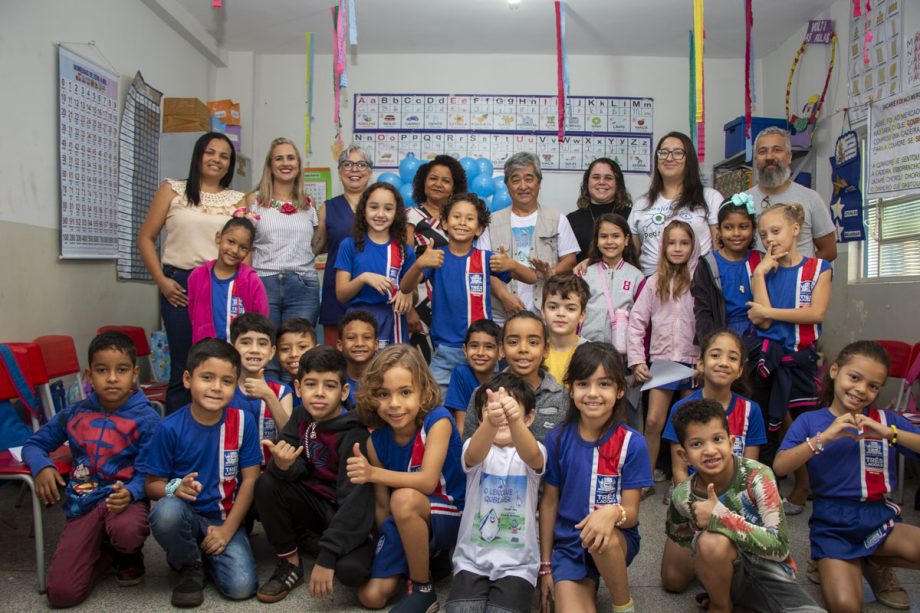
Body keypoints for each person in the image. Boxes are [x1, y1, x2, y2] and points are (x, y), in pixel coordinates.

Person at [775, 341, 920, 612]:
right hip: (834, 526)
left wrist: (891, 434)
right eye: (854, 377)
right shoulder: (811, 421)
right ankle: (829, 561)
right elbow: (780, 466)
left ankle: (874, 561)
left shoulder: (884, 420)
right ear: (834, 371)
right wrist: (824, 437)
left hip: (879, 520)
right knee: (846, 607)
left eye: (873, 385)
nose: (861, 390)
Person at [23, 331, 159, 607]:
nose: (111, 378)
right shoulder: (75, 413)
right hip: (83, 503)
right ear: (89, 375)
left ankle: (126, 554)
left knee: (127, 529)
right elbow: (33, 445)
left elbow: (149, 471)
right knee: (61, 595)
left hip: (123, 502)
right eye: (102, 370)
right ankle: (101, 555)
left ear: (134, 374)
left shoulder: (147, 418)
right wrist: (42, 467)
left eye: (120, 370)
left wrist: (132, 492)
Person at [665, 399, 824, 613]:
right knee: (710, 543)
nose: (710, 450)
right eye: (697, 444)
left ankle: (743, 603)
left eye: (717, 439)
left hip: (769, 571)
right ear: (684, 456)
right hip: (724, 569)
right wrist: (703, 561)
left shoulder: (758, 476)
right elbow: (679, 536)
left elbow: (779, 548)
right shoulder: (683, 495)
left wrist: (720, 517)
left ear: (731, 442)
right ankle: (721, 605)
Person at [141, 338, 261, 607]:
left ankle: (209, 550)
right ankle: (189, 564)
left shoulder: (244, 423)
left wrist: (228, 530)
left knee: (242, 587)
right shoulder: (169, 428)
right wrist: (175, 488)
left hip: (224, 518)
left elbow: (251, 479)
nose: (216, 388)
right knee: (166, 512)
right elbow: (151, 485)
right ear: (187, 379)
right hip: (186, 515)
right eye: (207, 377)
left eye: (227, 381)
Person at [346, 345, 465, 612]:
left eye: (405, 392)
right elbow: (381, 503)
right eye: (383, 394)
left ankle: (423, 588)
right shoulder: (376, 442)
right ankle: (424, 560)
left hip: (453, 513)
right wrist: (387, 545)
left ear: (423, 392)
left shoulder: (438, 421)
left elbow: (426, 481)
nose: (394, 404)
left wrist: (372, 473)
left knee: (404, 498)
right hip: (405, 515)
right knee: (371, 597)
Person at [254, 347, 375, 603]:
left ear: (343, 392)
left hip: (345, 512)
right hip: (314, 504)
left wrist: (328, 556)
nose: (319, 393)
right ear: (298, 388)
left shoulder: (354, 434)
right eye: (311, 384)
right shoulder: (300, 416)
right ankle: (290, 564)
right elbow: (290, 466)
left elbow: (354, 502)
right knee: (266, 483)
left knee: (351, 572)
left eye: (329, 386)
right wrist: (283, 465)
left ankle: (322, 543)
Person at [539, 342, 653, 613]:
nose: (593, 393)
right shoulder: (557, 439)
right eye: (583, 384)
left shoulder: (632, 443)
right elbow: (550, 503)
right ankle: (583, 580)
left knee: (601, 535)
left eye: (604, 384)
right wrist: (546, 567)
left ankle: (623, 604)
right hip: (568, 545)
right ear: (571, 388)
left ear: (620, 390)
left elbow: (633, 513)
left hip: (615, 541)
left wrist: (613, 512)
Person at [138, 132, 245, 413]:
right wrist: (161, 280)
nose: (216, 160)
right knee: (184, 365)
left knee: (220, 363)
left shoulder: (238, 200)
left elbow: (246, 248)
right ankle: (176, 439)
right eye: (210, 152)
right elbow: (146, 238)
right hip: (180, 286)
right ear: (198, 155)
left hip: (221, 285)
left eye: (224, 156)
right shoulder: (172, 190)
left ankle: (219, 432)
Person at [747, 203, 832, 514]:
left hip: (802, 359)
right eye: (763, 234)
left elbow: (815, 313)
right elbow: (763, 323)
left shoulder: (819, 268)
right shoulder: (764, 270)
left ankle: (805, 484)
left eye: (776, 231)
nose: (770, 239)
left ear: (796, 229)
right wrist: (758, 274)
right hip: (771, 360)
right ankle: (777, 486)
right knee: (776, 423)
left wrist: (768, 310)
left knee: (803, 424)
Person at [446, 372, 545, 613]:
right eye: (490, 411)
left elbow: (532, 457)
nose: (500, 416)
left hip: (518, 564)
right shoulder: (475, 445)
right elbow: (473, 456)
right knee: (460, 610)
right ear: (480, 418)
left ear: (529, 417)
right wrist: (491, 422)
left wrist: (514, 421)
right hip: (472, 560)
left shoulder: (534, 449)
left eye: (510, 410)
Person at [400, 192, 513, 393]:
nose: (462, 222)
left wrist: (511, 264)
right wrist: (419, 264)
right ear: (444, 223)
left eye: (470, 219)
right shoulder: (436, 257)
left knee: (486, 408)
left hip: (483, 349)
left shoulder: (486, 258)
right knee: (435, 406)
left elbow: (530, 277)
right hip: (446, 352)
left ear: (479, 229)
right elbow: (405, 287)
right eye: (456, 217)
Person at [627, 220, 701, 488]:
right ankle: (644, 480)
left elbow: (710, 320)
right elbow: (636, 322)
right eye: (672, 242)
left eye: (684, 242)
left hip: (694, 361)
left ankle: (687, 482)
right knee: (654, 421)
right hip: (663, 361)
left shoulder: (701, 279)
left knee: (691, 423)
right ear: (663, 246)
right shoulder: (654, 282)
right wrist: (636, 361)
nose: (678, 248)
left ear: (693, 246)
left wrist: (707, 357)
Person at [478, 152, 580, 322]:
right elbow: (482, 267)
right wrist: (505, 297)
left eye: (529, 178)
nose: (523, 186)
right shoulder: (491, 223)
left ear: (539, 183)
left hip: (546, 313)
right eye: (515, 180)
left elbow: (570, 259)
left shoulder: (557, 219)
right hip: (501, 315)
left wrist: (552, 272)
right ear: (507, 185)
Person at [245, 137, 320, 331]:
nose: (285, 163)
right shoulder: (253, 200)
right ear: (270, 164)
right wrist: (246, 282)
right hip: (263, 283)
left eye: (291, 158)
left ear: (298, 164)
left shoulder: (308, 203)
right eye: (279, 158)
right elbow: (242, 244)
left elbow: (315, 244)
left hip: (303, 287)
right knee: (264, 349)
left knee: (299, 353)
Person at [463, 311, 567, 444]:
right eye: (513, 342)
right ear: (501, 349)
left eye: (533, 342)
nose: (523, 349)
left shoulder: (563, 397)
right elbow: (469, 450)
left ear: (546, 349)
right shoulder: (483, 393)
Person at [628, 131, 721, 276]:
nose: (669, 158)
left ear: (689, 159)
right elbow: (630, 254)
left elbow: (720, 249)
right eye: (663, 152)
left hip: (696, 283)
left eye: (677, 153)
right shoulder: (641, 204)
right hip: (650, 284)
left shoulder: (710, 197)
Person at [335, 182, 416, 347]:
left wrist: (408, 293)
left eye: (388, 208)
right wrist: (363, 278)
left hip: (394, 321)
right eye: (374, 207)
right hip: (358, 322)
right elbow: (341, 294)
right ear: (364, 209)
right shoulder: (349, 245)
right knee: (361, 370)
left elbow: (412, 293)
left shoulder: (405, 250)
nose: (380, 214)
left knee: (395, 369)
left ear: (396, 213)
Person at [405, 155, 468, 362]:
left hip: (451, 302)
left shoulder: (459, 218)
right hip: (421, 301)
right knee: (422, 368)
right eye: (433, 178)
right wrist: (409, 309)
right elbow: (404, 262)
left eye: (446, 180)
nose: (438, 184)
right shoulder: (411, 216)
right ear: (423, 182)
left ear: (454, 187)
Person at [745, 126, 837, 262]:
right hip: (758, 281)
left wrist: (799, 270)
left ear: (789, 157)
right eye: (762, 151)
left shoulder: (811, 198)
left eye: (777, 150)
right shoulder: (744, 201)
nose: (769, 157)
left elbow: (829, 251)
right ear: (756, 159)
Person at [313, 145, 374, 347]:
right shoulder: (327, 208)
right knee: (334, 360)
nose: (354, 170)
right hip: (336, 295)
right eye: (347, 164)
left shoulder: (381, 206)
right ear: (339, 172)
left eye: (361, 164)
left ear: (370, 171)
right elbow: (316, 247)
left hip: (373, 294)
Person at [692, 193, 762, 343]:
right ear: (719, 230)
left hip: (759, 339)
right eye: (729, 227)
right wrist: (709, 346)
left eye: (743, 227)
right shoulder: (708, 264)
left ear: (754, 229)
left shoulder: (762, 261)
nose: (736, 233)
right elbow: (703, 313)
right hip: (721, 337)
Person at [186, 217, 268, 343]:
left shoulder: (252, 281)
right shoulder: (197, 276)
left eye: (243, 247)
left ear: (249, 251)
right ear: (218, 238)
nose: (235, 250)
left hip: (240, 353)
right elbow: (193, 314)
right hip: (207, 351)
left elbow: (261, 319)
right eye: (230, 241)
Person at [229, 313, 294, 468]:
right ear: (232, 348)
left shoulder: (282, 391)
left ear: (272, 352)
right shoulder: (225, 389)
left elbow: (290, 436)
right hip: (231, 473)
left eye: (262, 344)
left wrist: (268, 396)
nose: (254, 350)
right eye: (245, 342)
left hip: (272, 473)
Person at [578, 213, 645, 351]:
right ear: (596, 240)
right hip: (586, 348)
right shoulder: (585, 274)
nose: (609, 241)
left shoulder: (637, 277)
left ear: (626, 239)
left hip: (620, 352)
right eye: (603, 236)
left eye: (616, 236)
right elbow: (574, 311)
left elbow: (642, 319)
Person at [567, 157, 633, 263]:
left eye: (608, 178)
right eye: (596, 177)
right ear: (587, 182)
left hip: (624, 278)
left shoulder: (632, 216)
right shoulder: (571, 220)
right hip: (582, 278)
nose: (601, 182)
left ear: (617, 183)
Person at [444, 319, 502, 434]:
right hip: (469, 444)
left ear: (501, 352)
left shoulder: (504, 380)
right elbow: (461, 426)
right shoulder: (461, 374)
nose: (480, 352)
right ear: (465, 350)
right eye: (474, 346)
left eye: (489, 347)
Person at [541, 273, 590, 385]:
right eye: (553, 307)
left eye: (570, 308)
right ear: (543, 311)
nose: (561, 314)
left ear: (582, 315)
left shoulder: (592, 354)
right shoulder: (534, 352)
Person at [337, 309, 380, 407]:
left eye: (367, 337)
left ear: (376, 344)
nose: (359, 344)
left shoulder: (385, 379)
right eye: (351, 338)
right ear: (340, 345)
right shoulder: (334, 381)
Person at [275, 317, 318, 392]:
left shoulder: (330, 385)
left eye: (302, 347)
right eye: (285, 349)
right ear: (276, 354)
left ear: (317, 349)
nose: (294, 354)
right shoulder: (285, 392)